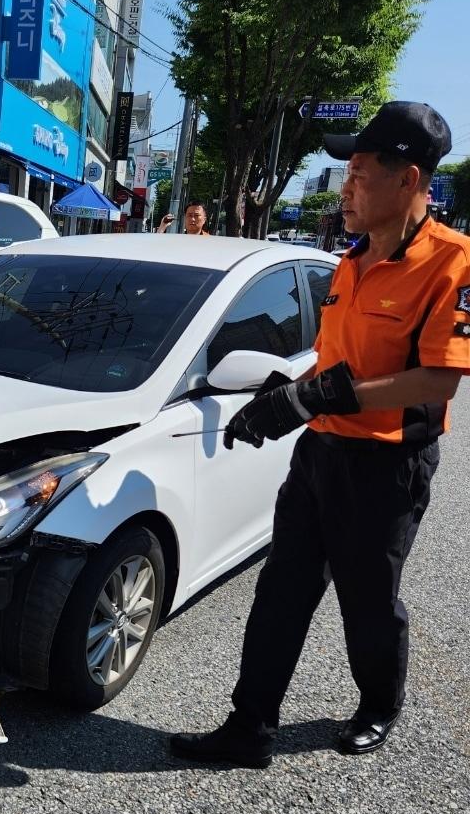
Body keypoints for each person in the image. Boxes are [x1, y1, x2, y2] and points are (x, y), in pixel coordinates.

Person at [170, 101, 469, 765]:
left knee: (368, 604)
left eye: (360, 172)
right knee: (281, 593)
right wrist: (287, 393)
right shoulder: (349, 262)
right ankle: (248, 729)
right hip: (320, 455)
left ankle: (378, 703)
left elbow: (436, 382)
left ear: (408, 181)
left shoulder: (455, 264)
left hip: (386, 467)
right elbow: (333, 363)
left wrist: (321, 395)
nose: (347, 186)